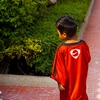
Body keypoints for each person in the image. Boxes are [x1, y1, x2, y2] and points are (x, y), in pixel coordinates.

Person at [50, 16, 91, 100]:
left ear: (64, 34)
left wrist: (60, 82)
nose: (58, 34)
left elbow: (59, 67)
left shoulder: (62, 49)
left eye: (58, 32)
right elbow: (88, 59)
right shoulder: (83, 45)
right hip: (80, 83)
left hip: (68, 87)